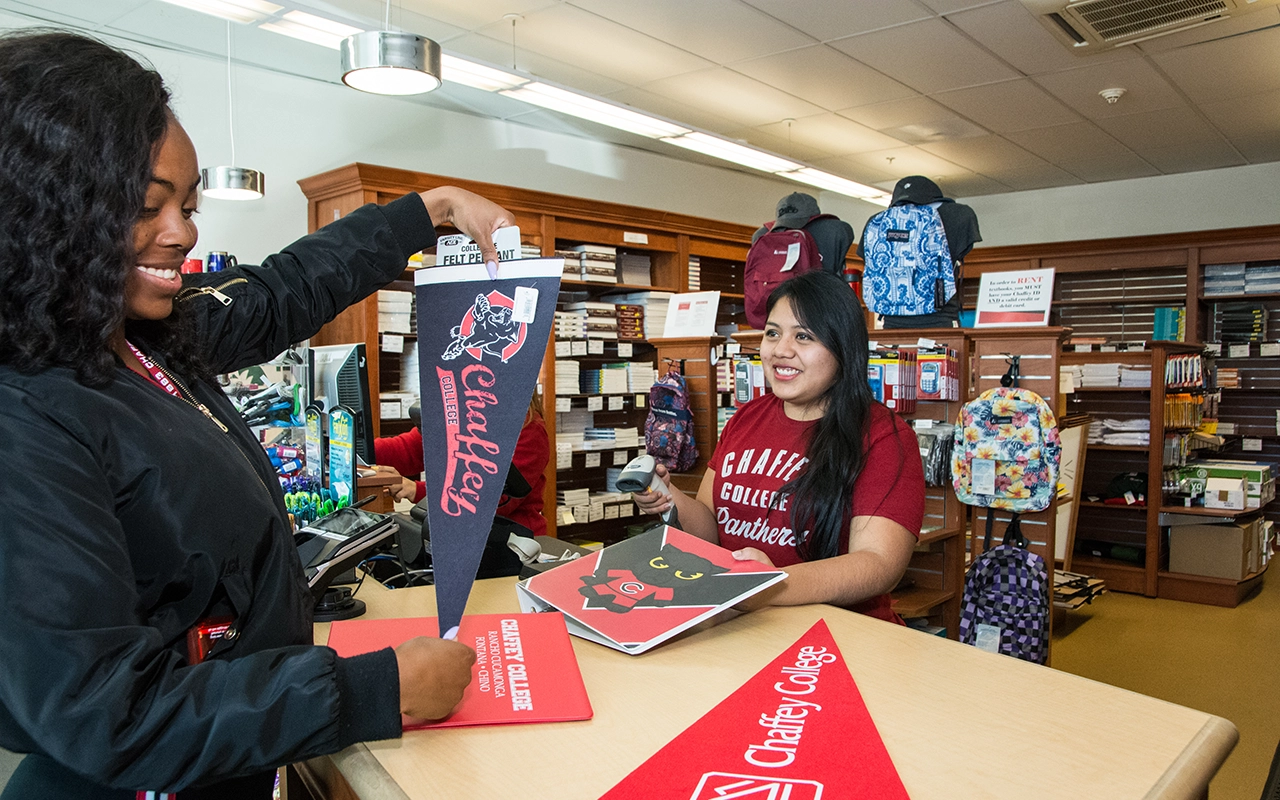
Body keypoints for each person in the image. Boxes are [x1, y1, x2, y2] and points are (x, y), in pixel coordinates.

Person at [0, 30, 516, 799]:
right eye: (148, 206)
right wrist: (377, 690)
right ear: (45, 212)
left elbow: (278, 292)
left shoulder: (133, 338)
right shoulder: (24, 419)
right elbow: (110, 713)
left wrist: (425, 213)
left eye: (189, 202)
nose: (184, 232)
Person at [632, 271, 924, 623]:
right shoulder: (747, 417)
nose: (781, 351)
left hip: (839, 638)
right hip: (742, 625)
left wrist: (772, 586)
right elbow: (711, 529)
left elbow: (879, 564)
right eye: (773, 333)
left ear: (842, 347)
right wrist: (666, 494)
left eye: (803, 336)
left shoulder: (883, 436)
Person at [373, 396, 550, 536]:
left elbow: (494, 501)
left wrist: (415, 490)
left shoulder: (529, 429)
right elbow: (407, 450)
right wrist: (353, 447)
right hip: (455, 536)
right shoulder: (465, 414)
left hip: (511, 544)